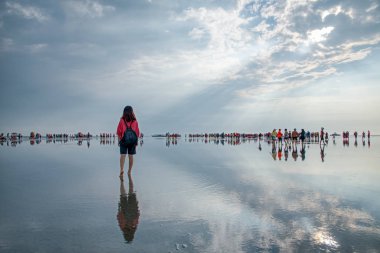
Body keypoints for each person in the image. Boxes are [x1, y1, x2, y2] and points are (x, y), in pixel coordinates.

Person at [117, 106, 140, 178]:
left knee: (123, 155)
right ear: (132, 112)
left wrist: (119, 141)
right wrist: (136, 142)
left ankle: (121, 169)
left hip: (123, 140)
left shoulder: (122, 120)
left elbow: (118, 132)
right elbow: (137, 133)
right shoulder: (135, 121)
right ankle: (129, 171)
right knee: (131, 156)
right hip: (132, 141)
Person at [117, 174, 140, 243]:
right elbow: (119, 216)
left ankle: (125, 180)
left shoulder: (134, 226)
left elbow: (137, 214)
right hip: (127, 210)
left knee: (130, 192)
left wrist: (137, 206)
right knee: (124, 194)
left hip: (131, 209)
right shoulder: (125, 227)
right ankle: (123, 181)